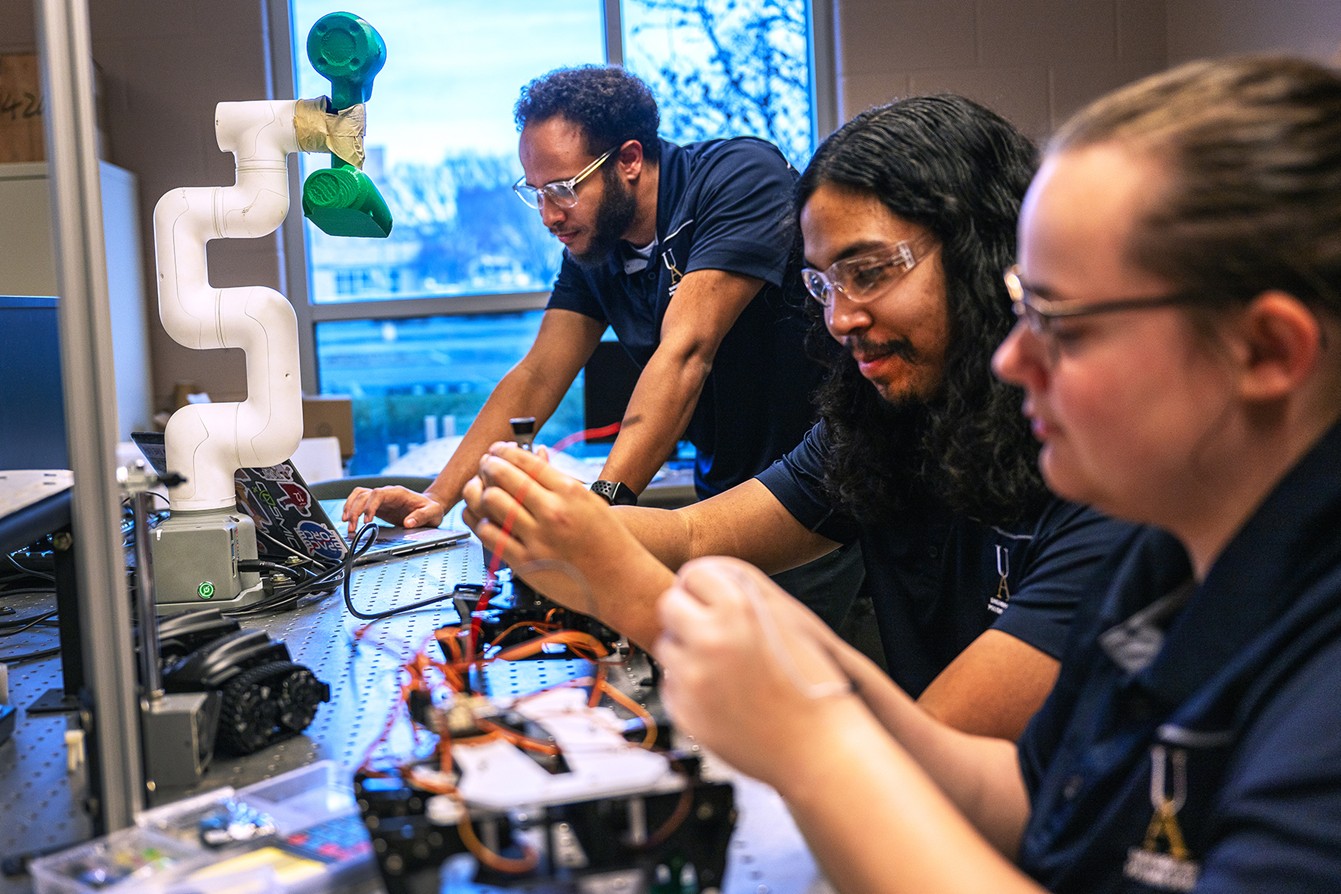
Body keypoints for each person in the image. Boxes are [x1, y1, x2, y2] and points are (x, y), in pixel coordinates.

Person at [651, 54, 1341, 893]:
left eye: (1061, 323)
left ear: (1265, 350)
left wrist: (816, 744)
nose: (1011, 359)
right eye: (1018, 310)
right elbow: (1034, 799)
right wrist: (816, 681)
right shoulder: (1167, 566)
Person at [463, 94, 1176, 740]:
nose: (838, 319)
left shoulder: (1103, 483)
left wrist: (626, 573)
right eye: (821, 283)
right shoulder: (879, 425)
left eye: (867, 273)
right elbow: (694, 531)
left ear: (986, 255)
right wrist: (556, 523)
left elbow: (936, 749)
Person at [341, 64, 825, 525]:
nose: (548, 215)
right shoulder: (596, 245)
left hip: (817, 483)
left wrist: (603, 505)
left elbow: (686, 352)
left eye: (562, 188)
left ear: (630, 159)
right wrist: (436, 498)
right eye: (536, 192)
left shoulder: (739, 178)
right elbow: (537, 376)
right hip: (726, 487)